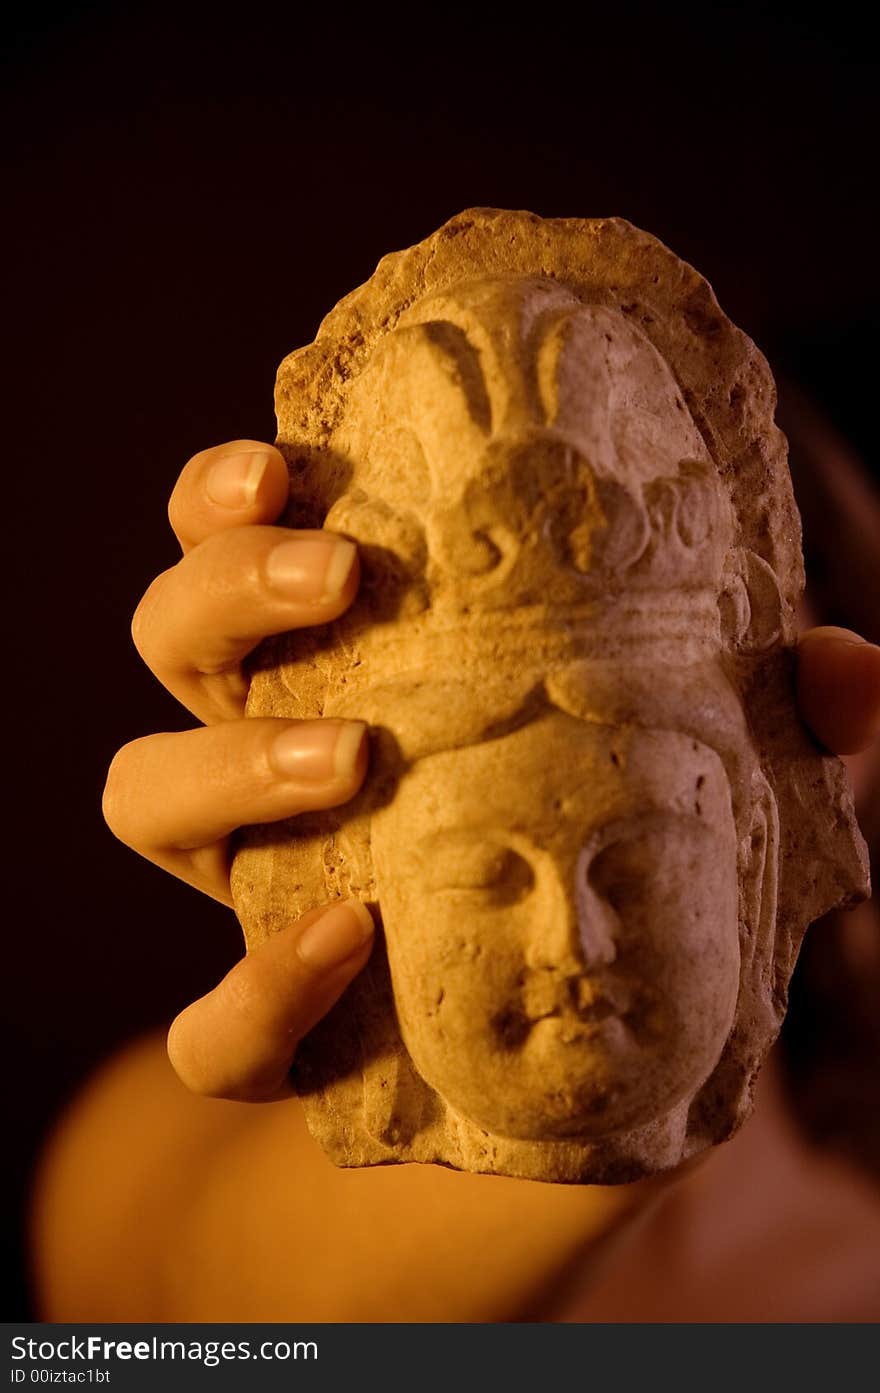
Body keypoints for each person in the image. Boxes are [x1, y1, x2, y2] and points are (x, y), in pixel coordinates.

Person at [30, 439, 880, 1322]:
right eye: (484, 867)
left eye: (637, 842)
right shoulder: (146, 1160)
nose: (572, 939)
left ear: (801, 784)